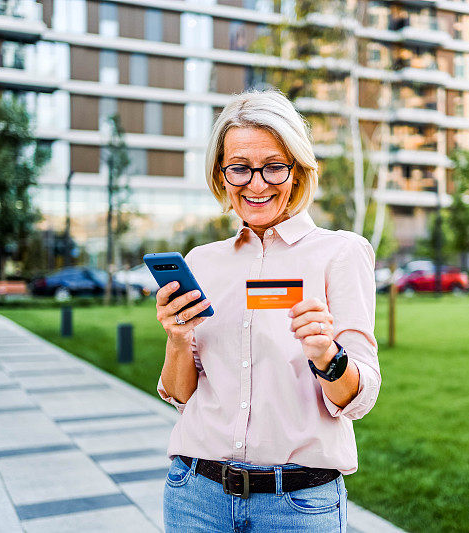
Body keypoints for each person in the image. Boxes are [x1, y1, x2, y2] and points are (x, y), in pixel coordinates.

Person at [156, 89, 381, 532]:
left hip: (295, 507)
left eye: (274, 166)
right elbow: (181, 396)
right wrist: (177, 338)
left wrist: (327, 357)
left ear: (297, 171)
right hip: (195, 497)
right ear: (222, 175)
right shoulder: (202, 262)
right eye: (239, 167)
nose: (256, 184)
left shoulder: (340, 254)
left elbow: (360, 398)